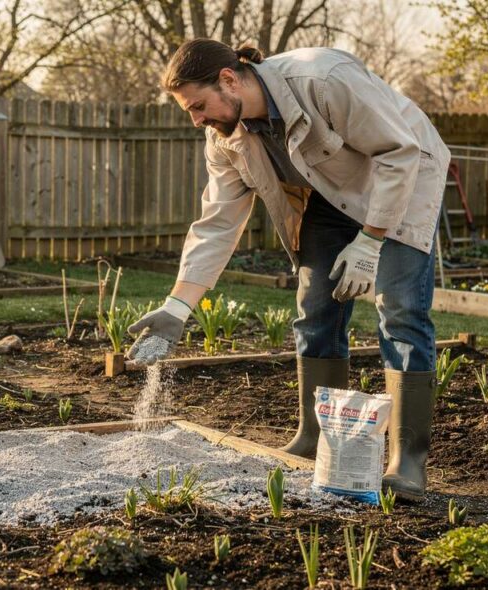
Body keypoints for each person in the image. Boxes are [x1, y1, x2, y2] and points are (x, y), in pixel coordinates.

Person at [126, 39, 451, 503]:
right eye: (189, 111)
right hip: (329, 195)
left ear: (228, 79)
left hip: (402, 175)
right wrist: (178, 307)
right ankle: (315, 436)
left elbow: (398, 151)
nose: (196, 119)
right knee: (314, 306)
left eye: (198, 106)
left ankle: (408, 461)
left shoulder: (323, 79)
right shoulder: (224, 137)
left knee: (399, 310)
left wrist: (371, 241)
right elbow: (218, 224)